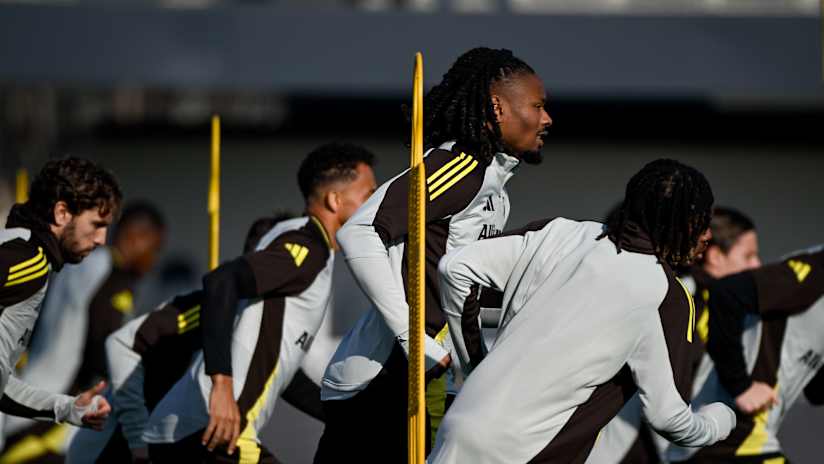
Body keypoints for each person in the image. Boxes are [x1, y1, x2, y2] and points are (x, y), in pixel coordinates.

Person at [314, 46, 552, 462]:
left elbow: (458, 288)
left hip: (434, 380)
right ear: (498, 108)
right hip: (386, 386)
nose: (547, 118)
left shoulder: (494, 186)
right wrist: (413, 339)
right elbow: (360, 233)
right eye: (537, 106)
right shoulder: (458, 165)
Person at [430, 159, 735, 463]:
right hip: (529, 451)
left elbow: (455, 268)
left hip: (459, 427)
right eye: (702, 222)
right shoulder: (667, 295)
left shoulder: (559, 232)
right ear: (680, 223)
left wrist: (474, 365)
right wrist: (720, 420)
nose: (707, 235)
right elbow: (669, 418)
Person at [142, 142, 376, 463]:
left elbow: (285, 371)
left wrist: (345, 416)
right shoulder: (307, 247)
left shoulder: (302, 245)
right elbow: (221, 281)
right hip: (213, 431)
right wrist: (221, 387)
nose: (376, 204)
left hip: (191, 432)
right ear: (334, 200)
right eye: (369, 195)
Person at [587, 206, 762, 464]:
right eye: (748, 255)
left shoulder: (710, 305)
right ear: (715, 256)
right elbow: (669, 402)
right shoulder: (683, 303)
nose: (757, 265)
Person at [0, 201, 166, 463]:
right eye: (154, 248)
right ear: (136, 237)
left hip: (30, 397)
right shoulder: (111, 275)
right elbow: (105, 344)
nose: (153, 260)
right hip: (52, 418)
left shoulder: (75, 267)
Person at [666, 245, 824, 463]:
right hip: (732, 436)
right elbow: (727, 292)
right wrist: (741, 386)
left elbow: (815, 392)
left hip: (739, 440)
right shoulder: (816, 269)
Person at [0, 158, 117, 443]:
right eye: (96, 224)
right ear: (62, 212)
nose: (102, 239)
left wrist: (67, 408)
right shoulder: (28, 262)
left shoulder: (26, 253)